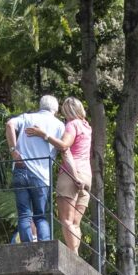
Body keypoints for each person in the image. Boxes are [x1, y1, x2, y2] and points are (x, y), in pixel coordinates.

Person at [6, 94, 66, 244]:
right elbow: (63, 147)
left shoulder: (27, 118)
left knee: (24, 214)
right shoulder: (59, 125)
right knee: (40, 216)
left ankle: (26, 246)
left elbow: (9, 125)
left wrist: (14, 151)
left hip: (21, 167)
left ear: (40, 106)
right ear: (56, 110)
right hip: (41, 174)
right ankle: (45, 246)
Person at [51, 97, 95, 255]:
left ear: (67, 110)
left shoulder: (72, 125)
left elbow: (64, 146)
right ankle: (76, 255)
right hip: (87, 175)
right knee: (76, 222)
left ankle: (74, 257)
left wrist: (44, 135)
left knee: (66, 220)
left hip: (70, 173)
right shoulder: (87, 127)